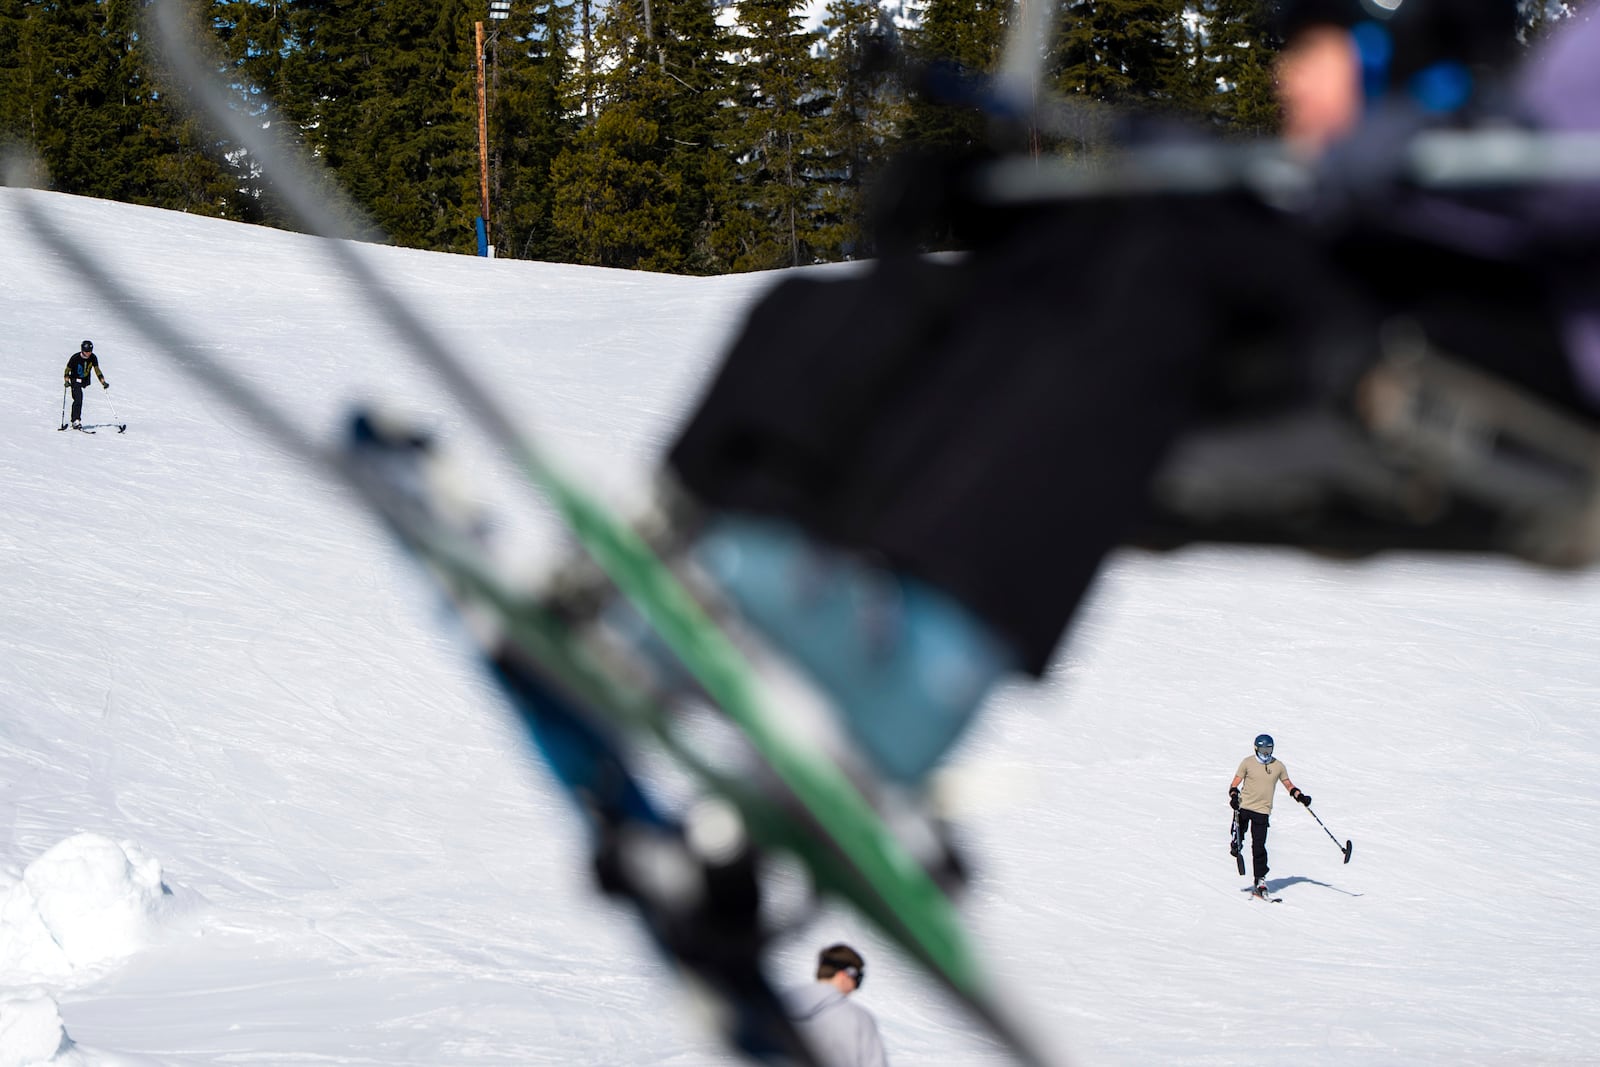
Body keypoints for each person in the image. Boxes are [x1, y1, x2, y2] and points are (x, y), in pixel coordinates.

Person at [657, 0, 1596, 789]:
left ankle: (932, 666)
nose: (1284, 81)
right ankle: (720, 527)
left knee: (1159, 250)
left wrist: (1441, 138)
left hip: (1502, 331)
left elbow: (1546, 176)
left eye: (1308, 51)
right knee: (981, 272)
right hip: (1374, 260)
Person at [1230, 734, 1311, 897]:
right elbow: (1234, 783)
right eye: (1262, 749)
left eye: (1268, 749)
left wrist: (1299, 795)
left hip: (1262, 810)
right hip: (1244, 806)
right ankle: (1235, 842)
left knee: (1259, 847)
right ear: (1256, 748)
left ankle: (1260, 880)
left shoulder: (1278, 766)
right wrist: (1233, 795)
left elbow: (1288, 784)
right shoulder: (1247, 763)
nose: (1265, 752)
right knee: (1239, 835)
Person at [783, 943, 888, 1067]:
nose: (855, 988)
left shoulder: (780, 1002)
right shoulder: (857, 1018)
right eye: (858, 979)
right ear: (846, 975)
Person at [63, 339, 109, 429]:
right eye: (87, 351)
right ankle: (75, 420)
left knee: (79, 399)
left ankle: (75, 420)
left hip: (84, 381)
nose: (89, 353)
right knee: (78, 398)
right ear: (82, 350)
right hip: (75, 380)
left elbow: (97, 370)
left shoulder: (93, 357)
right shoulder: (75, 358)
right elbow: (67, 370)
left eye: (90, 351)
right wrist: (66, 381)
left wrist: (103, 382)